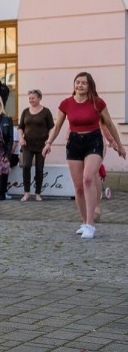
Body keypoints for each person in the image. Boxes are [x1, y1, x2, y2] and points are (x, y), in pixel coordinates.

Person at [42, 72, 125, 238]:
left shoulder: (97, 103)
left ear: (89, 86)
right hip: (74, 143)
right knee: (78, 187)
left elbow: (109, 124)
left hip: (93, 141)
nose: (80, 85)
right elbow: (57, 126)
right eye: (77, 82)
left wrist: (119, 146)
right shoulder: (66, 103)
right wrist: (48, 143)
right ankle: (84, 221)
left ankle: (90, 224)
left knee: (88, 178)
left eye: (83, 83)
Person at [18, 90, 54, 202]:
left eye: (33, 98)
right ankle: (26, 193)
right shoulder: (25, 111)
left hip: (41, 145)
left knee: (39, 168)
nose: (31, 100)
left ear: (39, 98)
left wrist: (49, 142)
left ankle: (38, 193)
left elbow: (52, 128)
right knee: (26, 166)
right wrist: (21, 138)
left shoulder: (46, 112)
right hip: (27, 144)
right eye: (29, 98)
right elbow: (20, 127)